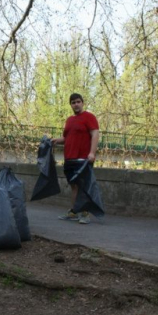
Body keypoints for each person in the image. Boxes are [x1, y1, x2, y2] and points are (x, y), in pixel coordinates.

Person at [51, 92, 100, 225]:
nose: (76, 104)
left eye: (78, 101)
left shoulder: (89, 117)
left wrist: (92, 153)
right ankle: (74, 211)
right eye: (73, 102)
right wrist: (56, 140)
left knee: (83, 185)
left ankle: (85, 213)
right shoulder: (69, 120)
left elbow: (95, 134)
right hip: (69, 159)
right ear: (71, 105)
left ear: (82, 103)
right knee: (74, 187)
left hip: (83, 159)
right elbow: (68, 138)